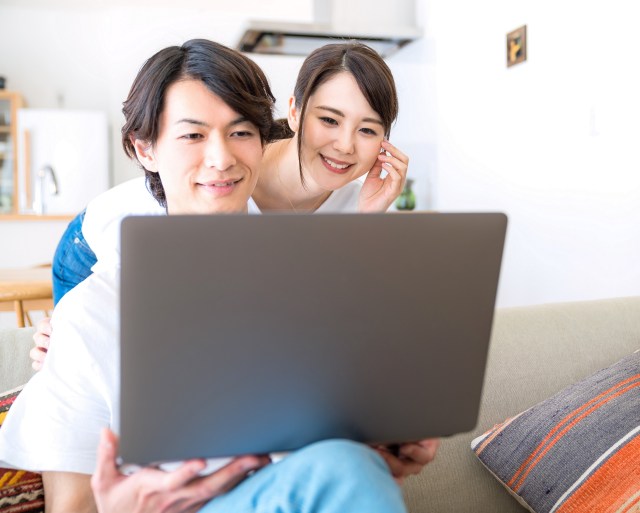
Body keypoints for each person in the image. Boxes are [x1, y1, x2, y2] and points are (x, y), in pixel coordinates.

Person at [0, 39, 437, 513]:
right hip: (87, 248)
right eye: (193, 135)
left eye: (241, 132)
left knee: (346, 468)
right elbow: (73, 504)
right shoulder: (113, 268)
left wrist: (381, 450)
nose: (222, 158)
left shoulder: (317, 276)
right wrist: (61, 337)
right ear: (144, 150)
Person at [49, 41, 407, 306]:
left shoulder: (356, 204)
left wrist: (369, 224)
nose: (345, 145)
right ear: (295, 113)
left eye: (368, 130)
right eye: (329, 120)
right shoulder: (219, 181)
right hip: (93, 247)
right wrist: (71, 333)